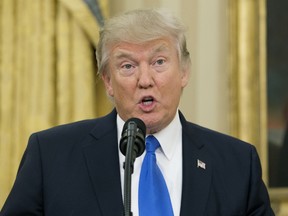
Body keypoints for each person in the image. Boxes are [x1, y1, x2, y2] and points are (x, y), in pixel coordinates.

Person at [0, 9, 274, 216]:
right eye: (128, 66)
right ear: (107, 81)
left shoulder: (238, 164)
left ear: (184, 72)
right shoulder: (51, 156)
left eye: (159, 61)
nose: (145, 79)